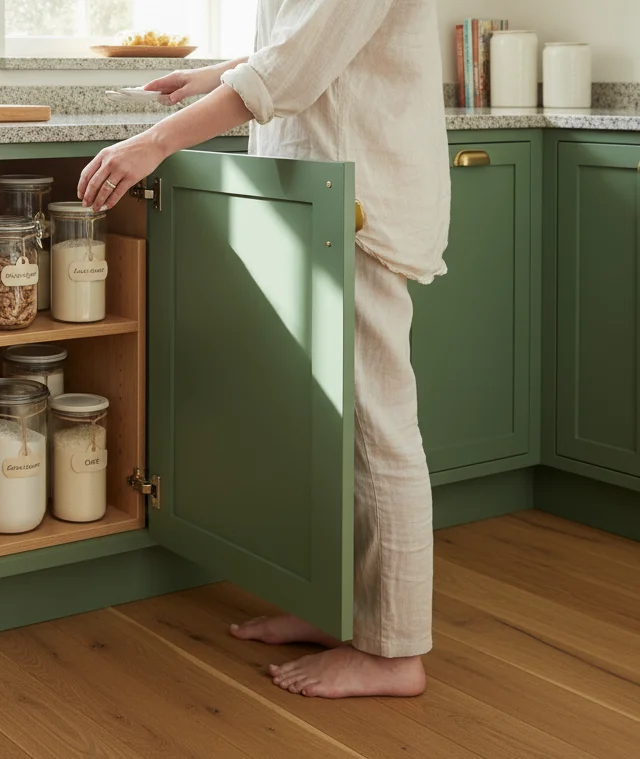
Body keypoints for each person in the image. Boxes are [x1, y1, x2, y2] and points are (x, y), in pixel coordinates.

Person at [79, 0, 450, 699]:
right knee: (322, 424)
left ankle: (394, 653)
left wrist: (156, 140)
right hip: (317, 194)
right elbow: (300, 46)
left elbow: (297, 66)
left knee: (374, 427)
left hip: (357, 200)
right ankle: (334, 607)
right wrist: (211, 78)